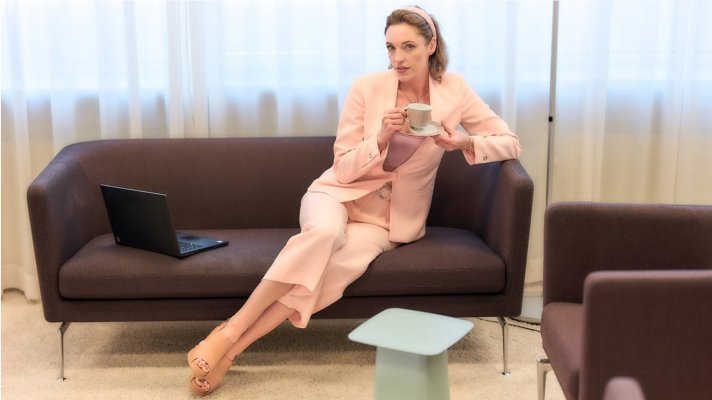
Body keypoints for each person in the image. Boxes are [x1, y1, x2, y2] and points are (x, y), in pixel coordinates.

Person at [186, 5, 521, 395]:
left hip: (386, 222)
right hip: (336, 195)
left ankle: (229, 350)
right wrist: (380, 138)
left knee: (326, 273)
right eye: (391, 47)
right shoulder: (366, 88)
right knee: (323, 235)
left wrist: (460, 141)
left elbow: (510, 142)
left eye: (409, 47)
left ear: (431, 45)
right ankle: (232, 330)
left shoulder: (455, 90)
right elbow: (343, 168)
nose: (398, 58)